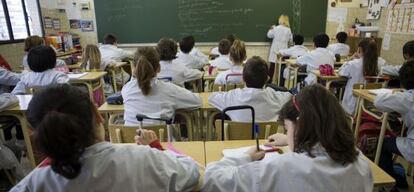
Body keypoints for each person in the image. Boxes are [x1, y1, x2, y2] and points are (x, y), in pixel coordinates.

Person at [10, 84, 200, 191]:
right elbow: (192, 172)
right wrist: (157, 149)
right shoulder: (144, 158)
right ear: (97, 113)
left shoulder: (33, 183)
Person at [202, 84, 373, 192]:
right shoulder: (361, 163)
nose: (287, 132)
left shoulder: (280, 167)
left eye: (287, 127)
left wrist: (245, 157)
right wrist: (289, 139)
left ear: (300, 124)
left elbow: (212, 180)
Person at [122, 47, 201, 125]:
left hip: (132, 137)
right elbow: (197, 101)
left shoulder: (126, 89)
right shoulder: (169, 89)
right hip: (162, 137)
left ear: (134, 69)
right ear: (159, 68)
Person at [209, 56, 291, 122]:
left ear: (243, 79)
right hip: (267, 141)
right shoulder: (275, 97)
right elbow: (289, 96)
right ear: (267, 79)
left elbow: (212, 97)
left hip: (238, 140)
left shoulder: (234, 96)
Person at [375, 60, 414, 188]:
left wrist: (397, 92)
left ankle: (388, 186)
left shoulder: (407, 98)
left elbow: (378, 102)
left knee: (383, 144)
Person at [339, 39, 379, 115]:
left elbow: (341, 72)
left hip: (351, 106)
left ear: (359, 49)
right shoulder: (377, 64)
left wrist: (350, 59)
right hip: (366, 106)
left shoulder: (353, 64)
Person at [267, 14, 292, 83]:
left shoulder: (276, 28)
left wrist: (271, 29)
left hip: (275, 48)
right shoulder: (288, 30)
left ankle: (269, 82)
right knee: (283, 66)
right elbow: (291, 40)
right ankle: (281, 83)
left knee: (272, 66)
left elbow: (269, 35)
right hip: (284, 49)